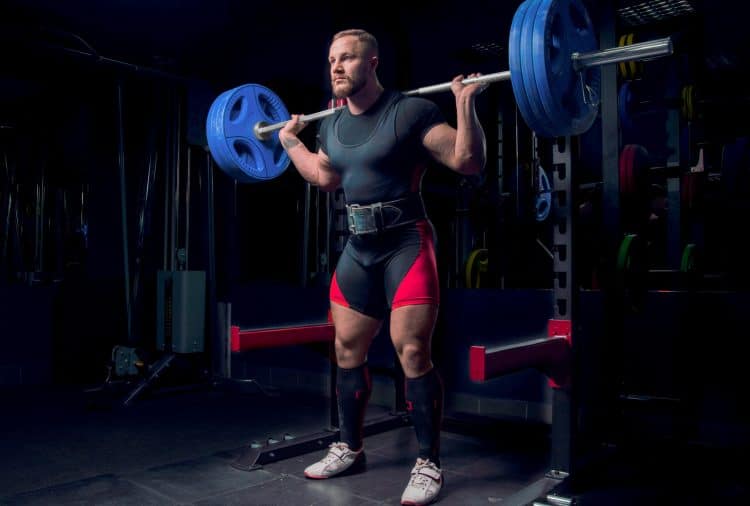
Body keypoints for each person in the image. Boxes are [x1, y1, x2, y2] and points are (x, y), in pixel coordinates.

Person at [278, 28, 487, 506]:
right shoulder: (331, 124)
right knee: (346, 348)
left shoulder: (410, 111)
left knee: (411, 351)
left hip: (405, 245)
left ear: (372, 63)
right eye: (332, 59)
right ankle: (349, 447)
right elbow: (326, 177)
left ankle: (428, 463)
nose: (336, 67)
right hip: (358, 249)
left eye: (347, 58)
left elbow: (466, 161)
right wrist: (291, 144)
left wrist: (465, 104)